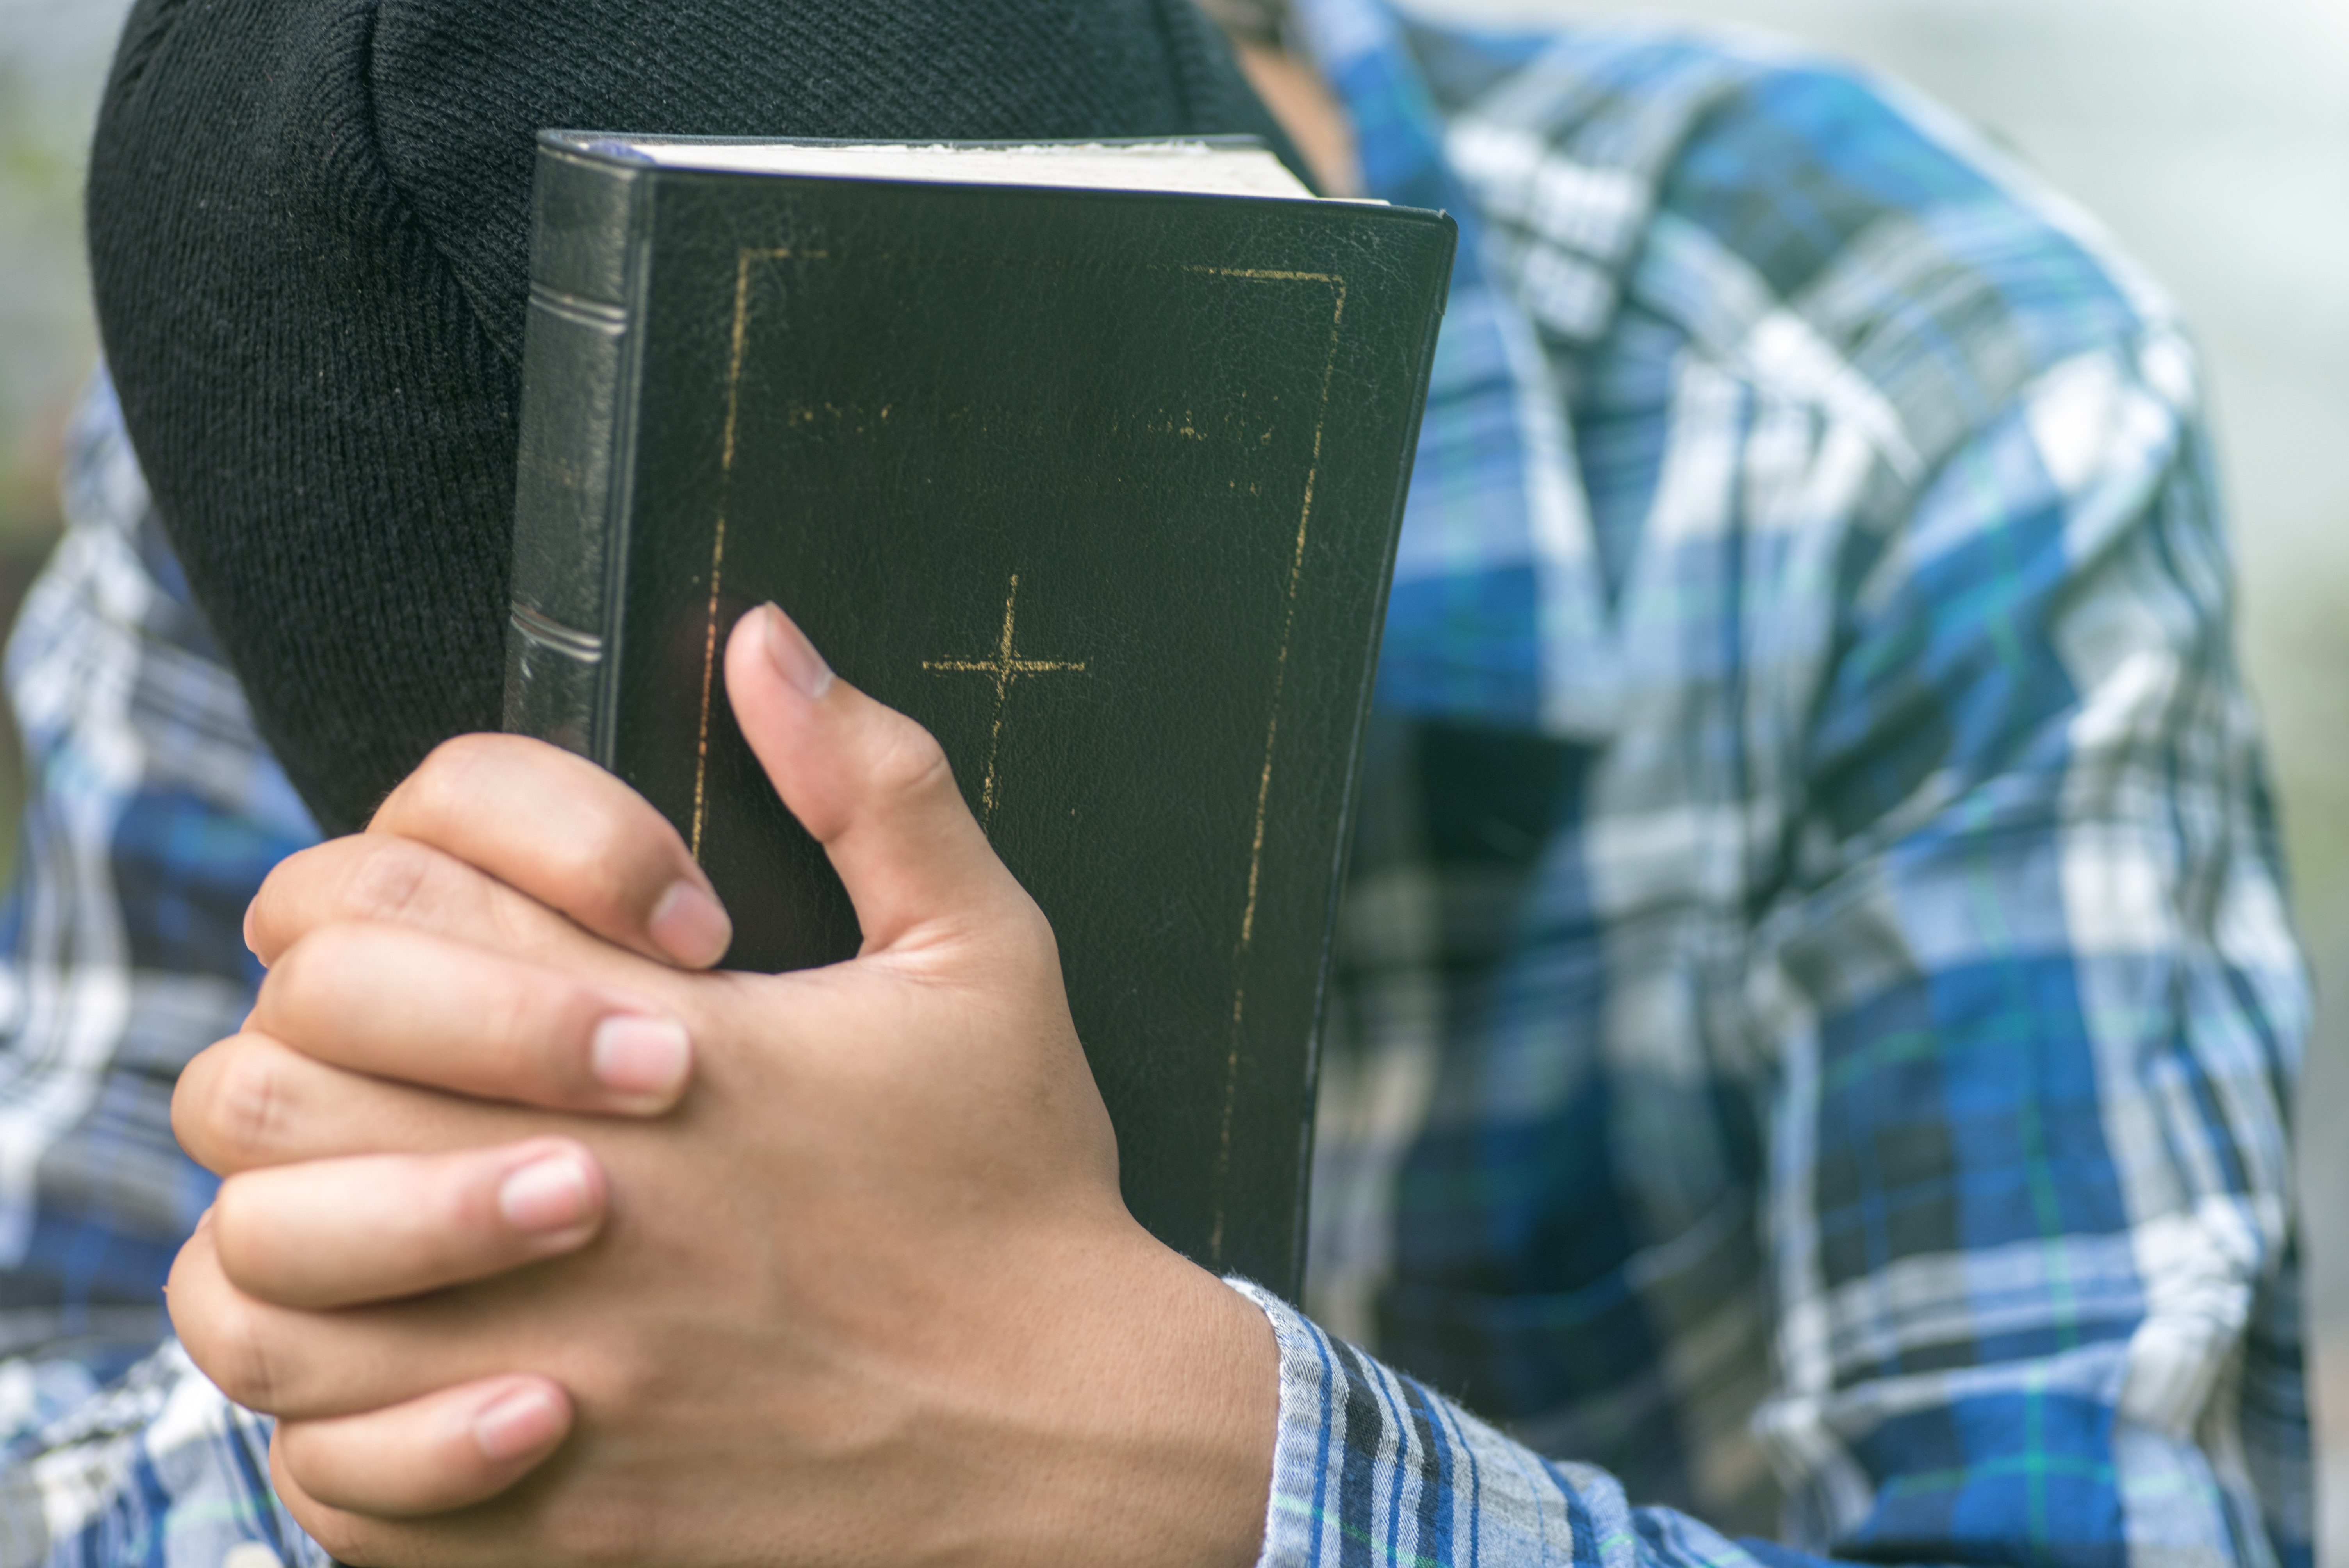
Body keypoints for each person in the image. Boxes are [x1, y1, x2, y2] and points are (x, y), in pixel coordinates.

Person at [0, 0, 2310, 1562]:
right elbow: (67, 1384)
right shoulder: (291, 365)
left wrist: (1156, 1445)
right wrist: (411, 1411)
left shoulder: (1901, 400)